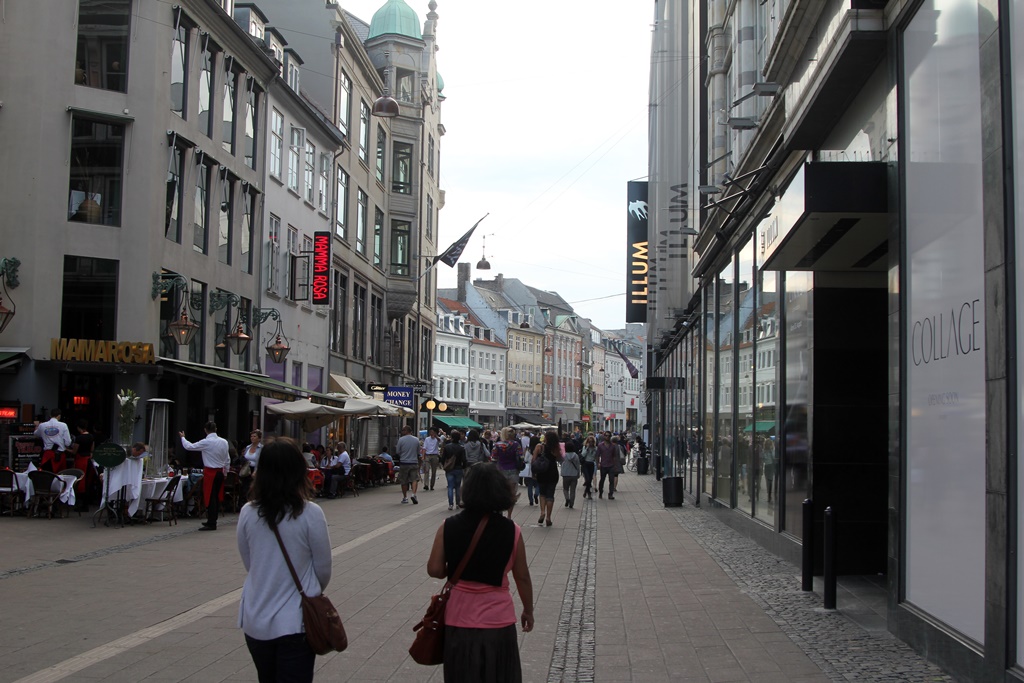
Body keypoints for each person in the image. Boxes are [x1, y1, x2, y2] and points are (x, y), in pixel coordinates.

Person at [426, 463, 534, 683]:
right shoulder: (512, 530)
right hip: (499, 621)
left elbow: (435, 569)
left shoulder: (448, 526)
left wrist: (456, 569)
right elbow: (521, 576)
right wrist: (528, 610)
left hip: (459, 619)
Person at [237, 437, 332, 683]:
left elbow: (249, 563)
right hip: (296, 621)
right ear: (299, 471)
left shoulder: (248, 512)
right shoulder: (310, 513)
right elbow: (323, 570)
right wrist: (308, 588)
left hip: (256, 618)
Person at [180, 421, 230, 531]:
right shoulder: (224, 442)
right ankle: (213, 519)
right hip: (220, 471)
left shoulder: (207, 442)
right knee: (216, 497)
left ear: (205, 430)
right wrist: (226, 472)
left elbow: (189, 446)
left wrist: (183, 438)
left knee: (211, 497)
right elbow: (227, 459)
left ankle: (212, 522)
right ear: (216, 429)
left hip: (211, 472)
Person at [490, 427, 524, 519]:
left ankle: (500, 513)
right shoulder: (516, 444)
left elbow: (493, 459)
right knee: (511, 494)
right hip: (513, 470)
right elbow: (521, 457)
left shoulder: (497, 445)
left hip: (501, 470)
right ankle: (509, 515)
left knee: (500, 493)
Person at [533, 431, 563, 527]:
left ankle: (542, 512)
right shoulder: (556, 447)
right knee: (550, 495)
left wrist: (533, 472)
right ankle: (548, 517)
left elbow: (533, 460)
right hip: (553, 472)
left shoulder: (539, 446)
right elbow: (560, 459)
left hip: (542, 472)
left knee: (542, 494)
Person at [35, 408, 73, 473]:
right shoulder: (63, 425)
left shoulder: (42, 425)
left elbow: (36, 434)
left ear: (50, 415)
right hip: (60, 455)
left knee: (47, 476)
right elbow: (68, 443)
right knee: (61, 477)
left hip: (48, 455)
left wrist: (36, 426)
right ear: (59, 416)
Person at [395, 425, 422, 504]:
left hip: (404, 462)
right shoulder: (416, 440)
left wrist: (403, 454)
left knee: (404, 481)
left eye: (403, 430)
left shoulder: (401, 440)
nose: (402, 432)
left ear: (407, 431)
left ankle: (405, 497)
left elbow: (397, 451)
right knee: (414, 479)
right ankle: (413, 494)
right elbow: (418, 452)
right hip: (414, 462)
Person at [442, 429, 467, 510]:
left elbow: (442, 459)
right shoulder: (461, 448)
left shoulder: (447, 447)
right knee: (457, 486)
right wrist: (463, 467)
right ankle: (457, 503)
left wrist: (445, 466)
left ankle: (450, 504)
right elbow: (464, 460)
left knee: (450, 486)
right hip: (458, 468)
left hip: (449, 469)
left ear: (452, 438)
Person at [561, 439, 581, 509]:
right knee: (573, 490)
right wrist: (578, 473)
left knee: (565, 489)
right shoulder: (576, 455)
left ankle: (567, 498)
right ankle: (571, 503)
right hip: (574, 474)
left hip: (566, 474)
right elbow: (578, 465)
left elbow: (561, 463)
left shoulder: (564, 455)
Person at [596, 433, 618, 500]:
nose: (607, 437)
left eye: (609, 436)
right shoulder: (600, 445)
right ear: (604, 436)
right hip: (603, 465)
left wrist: (615, 465)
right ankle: (600, 492)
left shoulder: (613, 446)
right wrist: (598, 463)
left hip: (611, 465)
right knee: (602, 480)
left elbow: (614, 456)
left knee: (611, 480)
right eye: (606, 435)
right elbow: (597, 455)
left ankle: (610, 494)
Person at [521, 435, 540, 506]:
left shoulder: (528, 449)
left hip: (530, 469)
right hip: (538, 468)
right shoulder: (540, 448)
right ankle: (536, 494)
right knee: (538, 484)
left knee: (530, 485)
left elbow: (525, 459)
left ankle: (531, 501)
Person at [580, 435, 597, 499]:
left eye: (592, 442)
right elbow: (583, 455)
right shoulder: (585, 447)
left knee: (590, 479)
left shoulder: (595, 448)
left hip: (591, 464)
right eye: (589, 442)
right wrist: (587, 448)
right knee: (587, 479)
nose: (591, 443)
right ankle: (589, 493)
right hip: (585, 464)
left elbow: (595, 456)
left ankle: (586, 491)